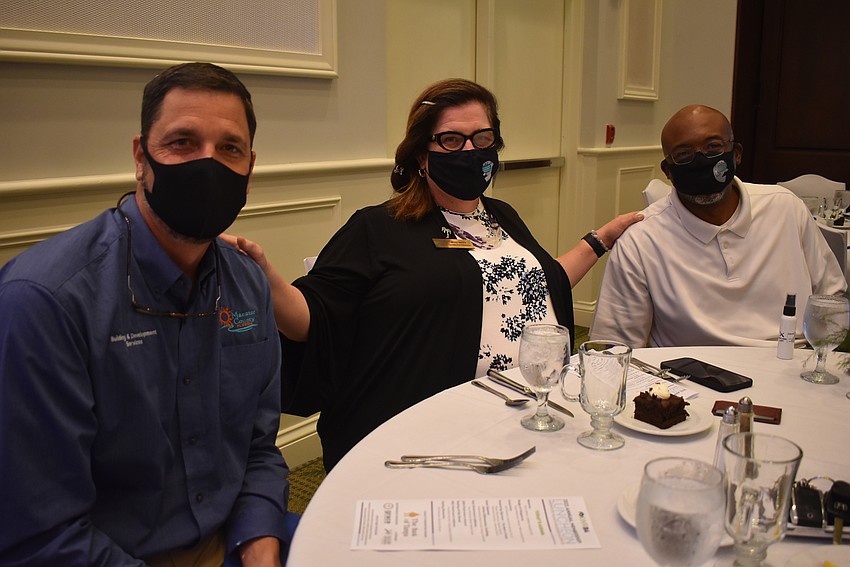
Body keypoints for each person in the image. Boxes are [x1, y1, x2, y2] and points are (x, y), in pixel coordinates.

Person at [226, 78, 642, 471]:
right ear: (421, 156)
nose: (470, 150)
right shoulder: (378, 227)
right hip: (429, 426)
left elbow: (539, 287)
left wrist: (599, 241)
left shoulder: (502, 215)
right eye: (451, 140)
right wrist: (264, 276)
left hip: (524, 413)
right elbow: (312, 320)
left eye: (482, 138)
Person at [0, 63, 296, 566]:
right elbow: (40, 533)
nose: (208, 165)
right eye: (182, 142)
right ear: (141, 157)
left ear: (250, 169)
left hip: (234, 536)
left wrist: (259, 541)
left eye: (230, 148)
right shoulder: (45, 302)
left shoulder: (248, 284)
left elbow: (258, 450)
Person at [590, 104, 847, 348]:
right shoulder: (640, 239)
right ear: (667, 170)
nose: (701, 161)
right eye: (684, 154)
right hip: (688, 371)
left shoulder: (785, 208)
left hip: (789, 359)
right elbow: (620, 345)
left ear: (736, 154)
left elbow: (831, 298)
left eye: (713, 147)